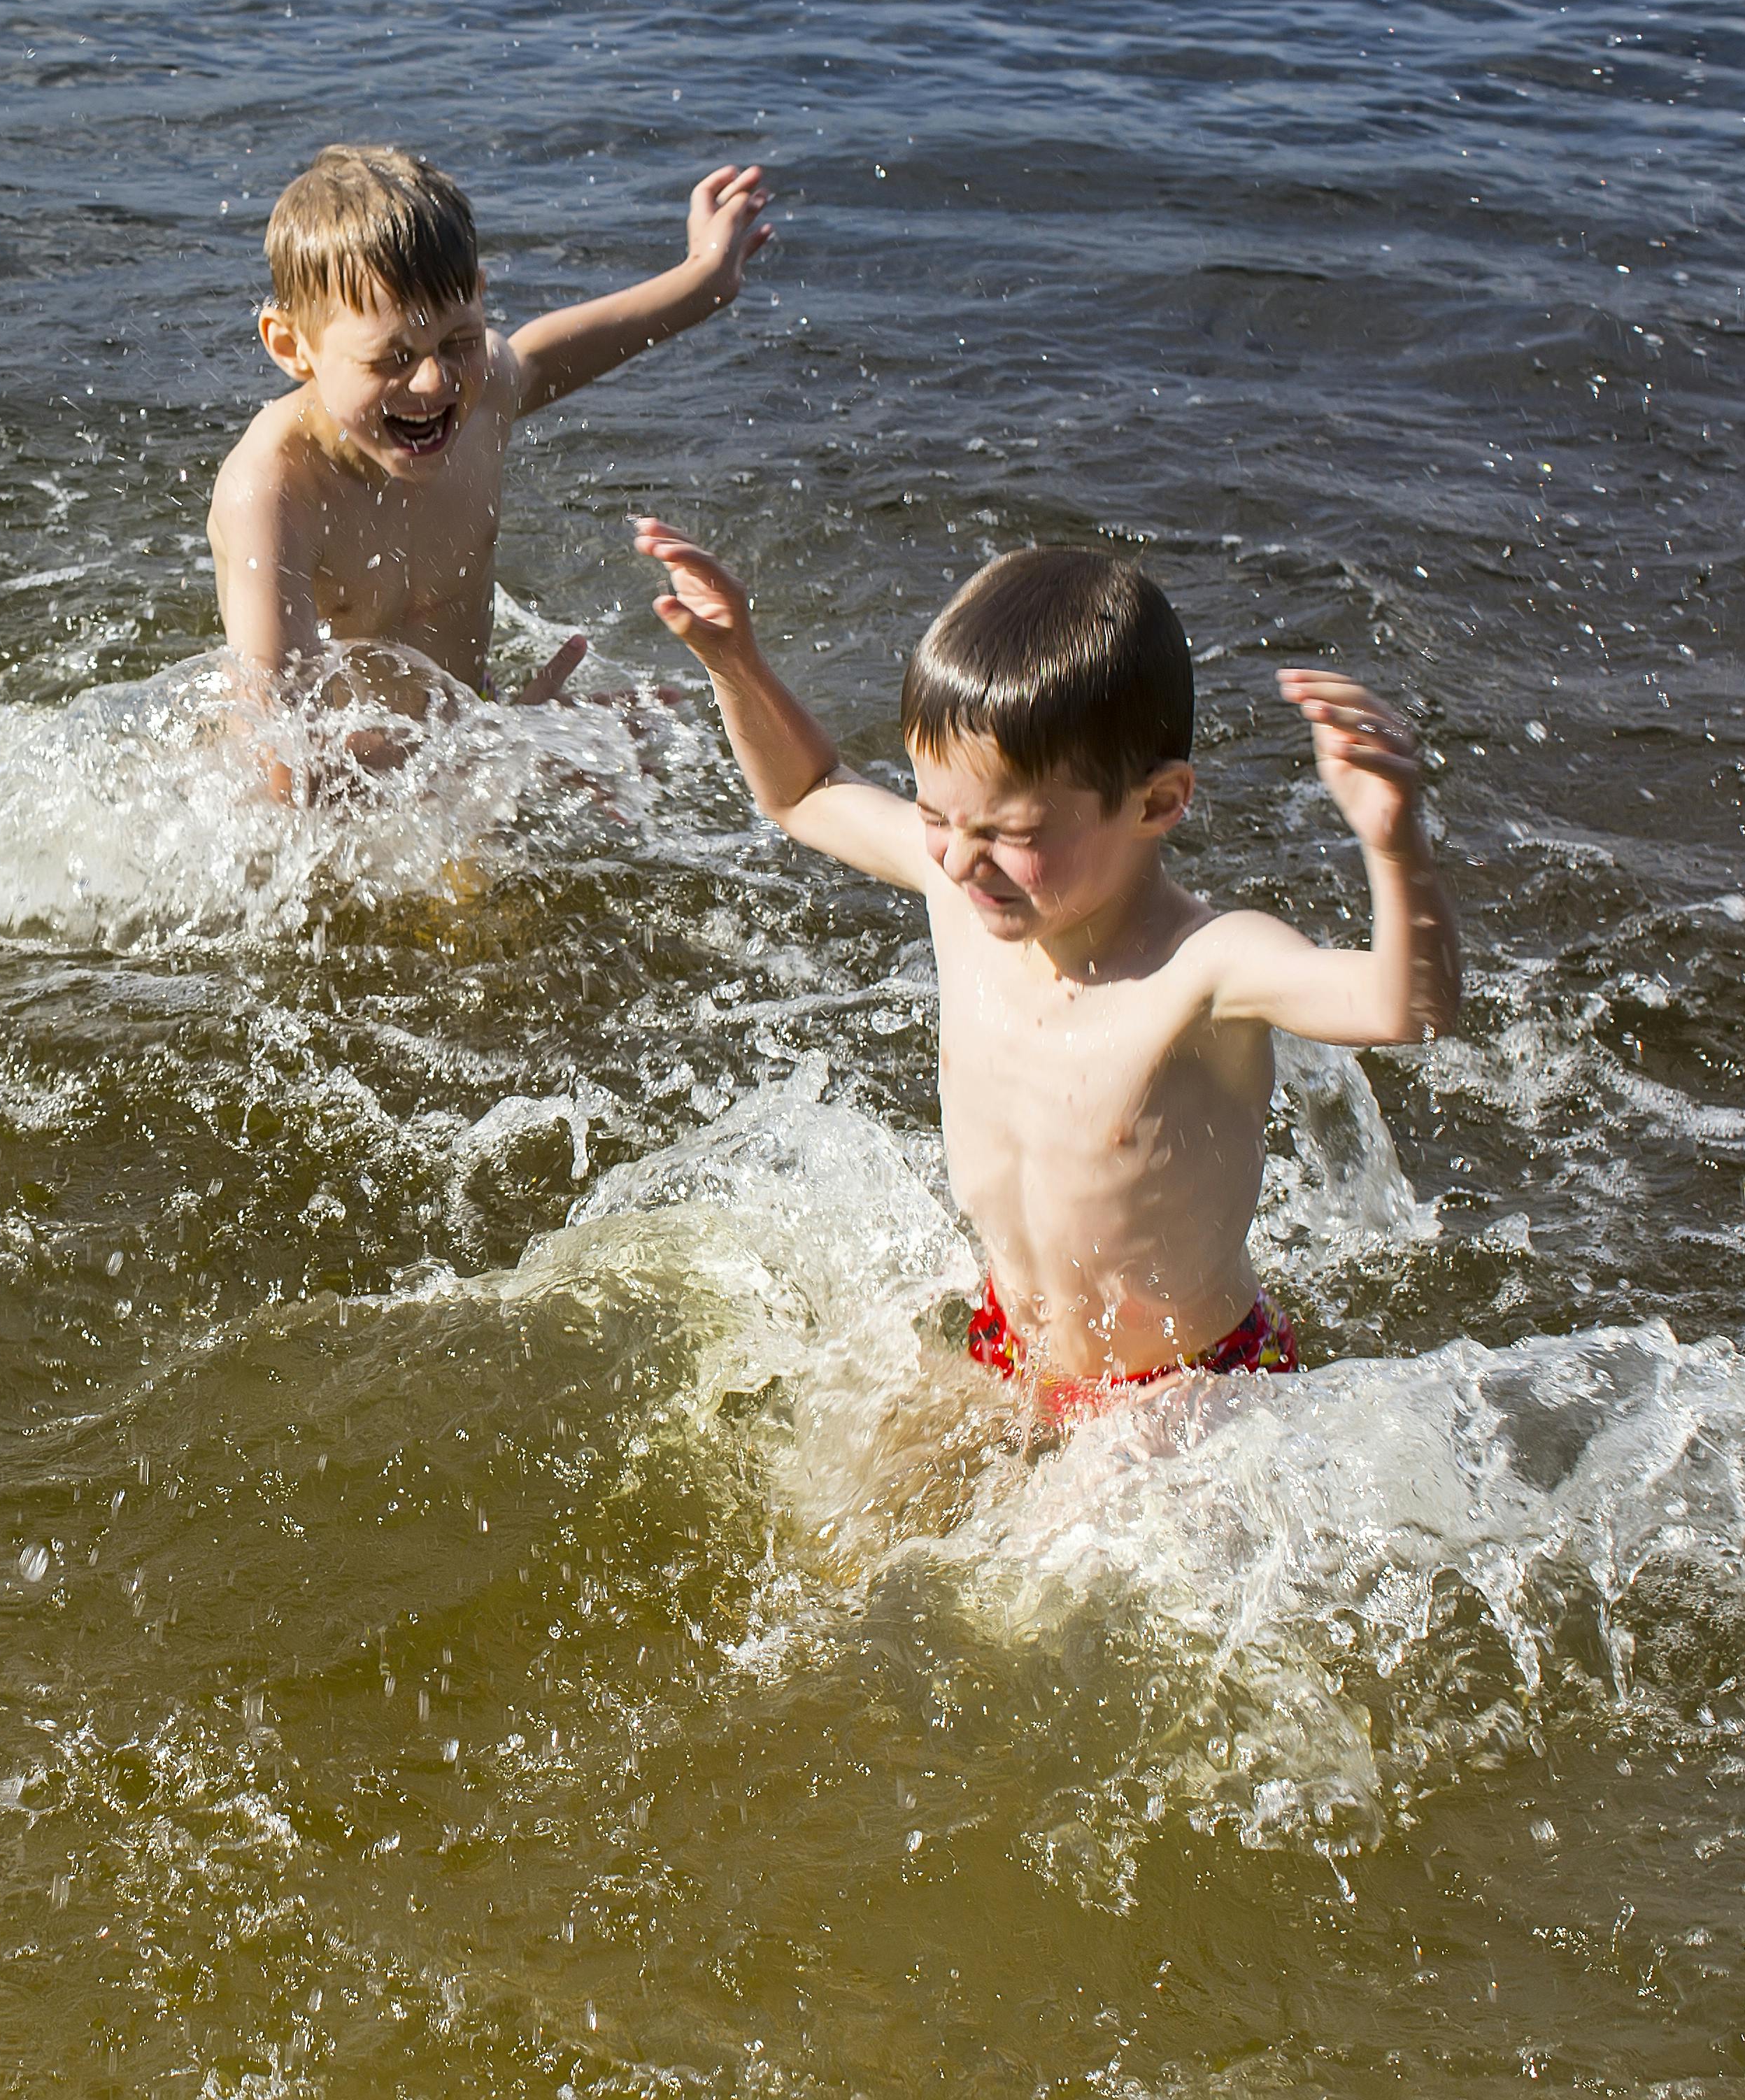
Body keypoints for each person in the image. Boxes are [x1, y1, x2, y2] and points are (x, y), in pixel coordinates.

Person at [632, 520, 1458, 1410]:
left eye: (1011, 835)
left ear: (1158, 802)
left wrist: (1395, 844)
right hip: (1007, 1340)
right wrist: (735, 663)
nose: (955, 860)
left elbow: (1405, 1007)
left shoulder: (1204, 969)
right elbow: (804, 793)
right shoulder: (959, 890)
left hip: (1187, 1392)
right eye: (937, 817)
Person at [209, 146, 771, 728]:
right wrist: (517, 747)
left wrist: (704, 279)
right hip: (347, 796)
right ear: (291, 346)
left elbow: (537, 362)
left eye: (460, 342)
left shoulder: (482, 394)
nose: (435, 382)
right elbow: (278, 775)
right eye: (393, 357)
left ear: (478, 295)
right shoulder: (277, 492)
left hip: (468, 734)